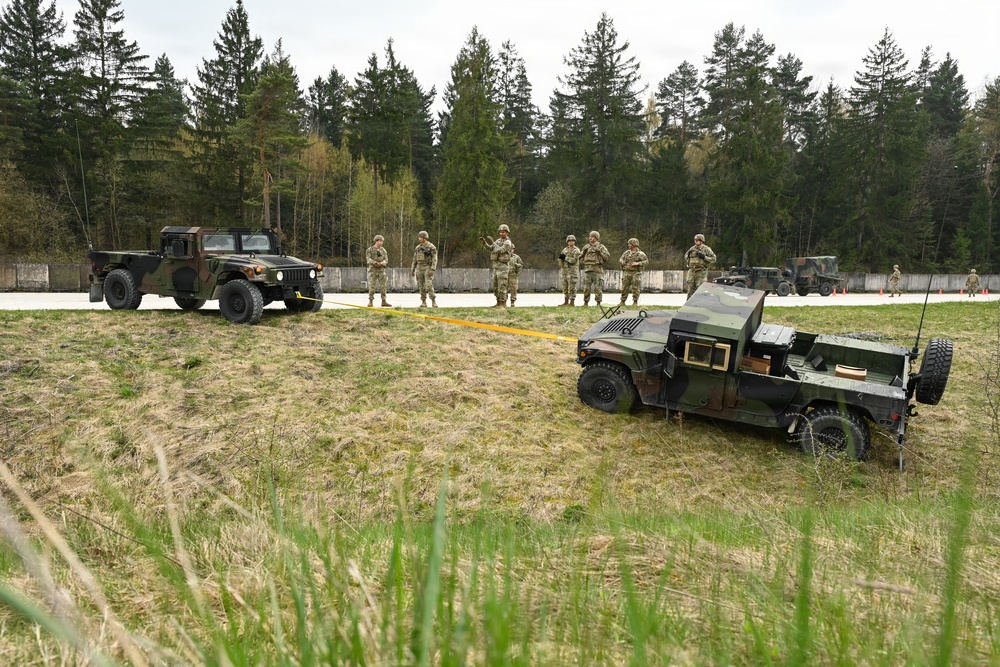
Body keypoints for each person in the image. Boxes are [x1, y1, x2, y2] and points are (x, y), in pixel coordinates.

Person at [480, 224, 513, 307]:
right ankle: (498, 303)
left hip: (503, 267)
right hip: (496, 267)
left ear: (507, 233)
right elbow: (491, 248)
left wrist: (493, 242)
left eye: (504, 232)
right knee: (495, 286)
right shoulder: (498, 241)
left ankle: (503, 303)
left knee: (502, 285)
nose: (502, 234)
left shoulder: (507, 242)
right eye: (500, 232)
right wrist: (485, 243)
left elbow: (500, 250)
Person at [579, 230, 610, 306]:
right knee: (586, 287)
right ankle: (585, 302)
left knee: (598, 287)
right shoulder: (586, 247)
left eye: (592, 237)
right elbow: (579, 258)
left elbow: (607, 257)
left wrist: (600, 253)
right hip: (587, 270)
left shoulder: (601, 247)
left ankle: (598, 303)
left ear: (596, 238)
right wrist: (584, 261)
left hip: (597, 270)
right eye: (590, 236)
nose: (590, 238)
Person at [410, 230, 438, 307]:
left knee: (428, 284)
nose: (419, 238)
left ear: (425, 238)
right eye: (419, 237)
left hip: (427, 267)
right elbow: (414, 259)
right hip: (419, 268)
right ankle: (423, 301)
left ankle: (433, 300)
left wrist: (433, 268)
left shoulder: (431, 247)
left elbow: (434, 258)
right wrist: (412, 269)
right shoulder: (418, 248)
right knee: (421, 285)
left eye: (421, 237)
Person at [618, 237, 649, 306]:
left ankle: (635, 301)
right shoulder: (626, 253)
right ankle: (622, 301)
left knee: (635, 287)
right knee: (624, 287)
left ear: (634, 245)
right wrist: (622, 261)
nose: (628, 245)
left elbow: (646, 261)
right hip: (626, 272)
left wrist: (637, 263)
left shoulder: (640, 254)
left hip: (635, 272)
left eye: (630, 244)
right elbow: (621, 259)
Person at [685, 233, 716, 299]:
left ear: (701, 241)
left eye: (698, 240)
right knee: (690, 289)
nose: (696, 241)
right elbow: (686, 257)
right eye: (695, 240)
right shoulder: (692, 249)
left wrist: (704, 257)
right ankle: (689, 305)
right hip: (692, 271)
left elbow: (714, 259)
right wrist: (688, 255)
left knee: (700, 289)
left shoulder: (706, 249)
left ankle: (700, 304)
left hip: (701, 271)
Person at [365, 234, 391, 307]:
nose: (381, 243)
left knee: (383, 286)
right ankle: (370, 301)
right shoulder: (370, 250)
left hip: (381, 270)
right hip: (373, 270)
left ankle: (384, 301)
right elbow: (368, 259)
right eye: (380, 241)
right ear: (376, 241)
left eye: (382, 241)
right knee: (372, 286)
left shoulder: (383, 250)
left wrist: (382, 263)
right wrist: (376, 263)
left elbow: (386, 259)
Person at [558, 234, 583, 306]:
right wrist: (561, 262)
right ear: (567, 242)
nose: (571, 242)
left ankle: (572, 302)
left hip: (572, 272)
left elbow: (574, 260)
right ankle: (566, 301)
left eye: (572, 241)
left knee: (572, 287)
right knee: (564, 286)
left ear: (574, 242)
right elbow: (560, 259)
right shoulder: (564, 250)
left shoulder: (576, 250)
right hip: (564, 271)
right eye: (569, 241)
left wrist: (565, 258)